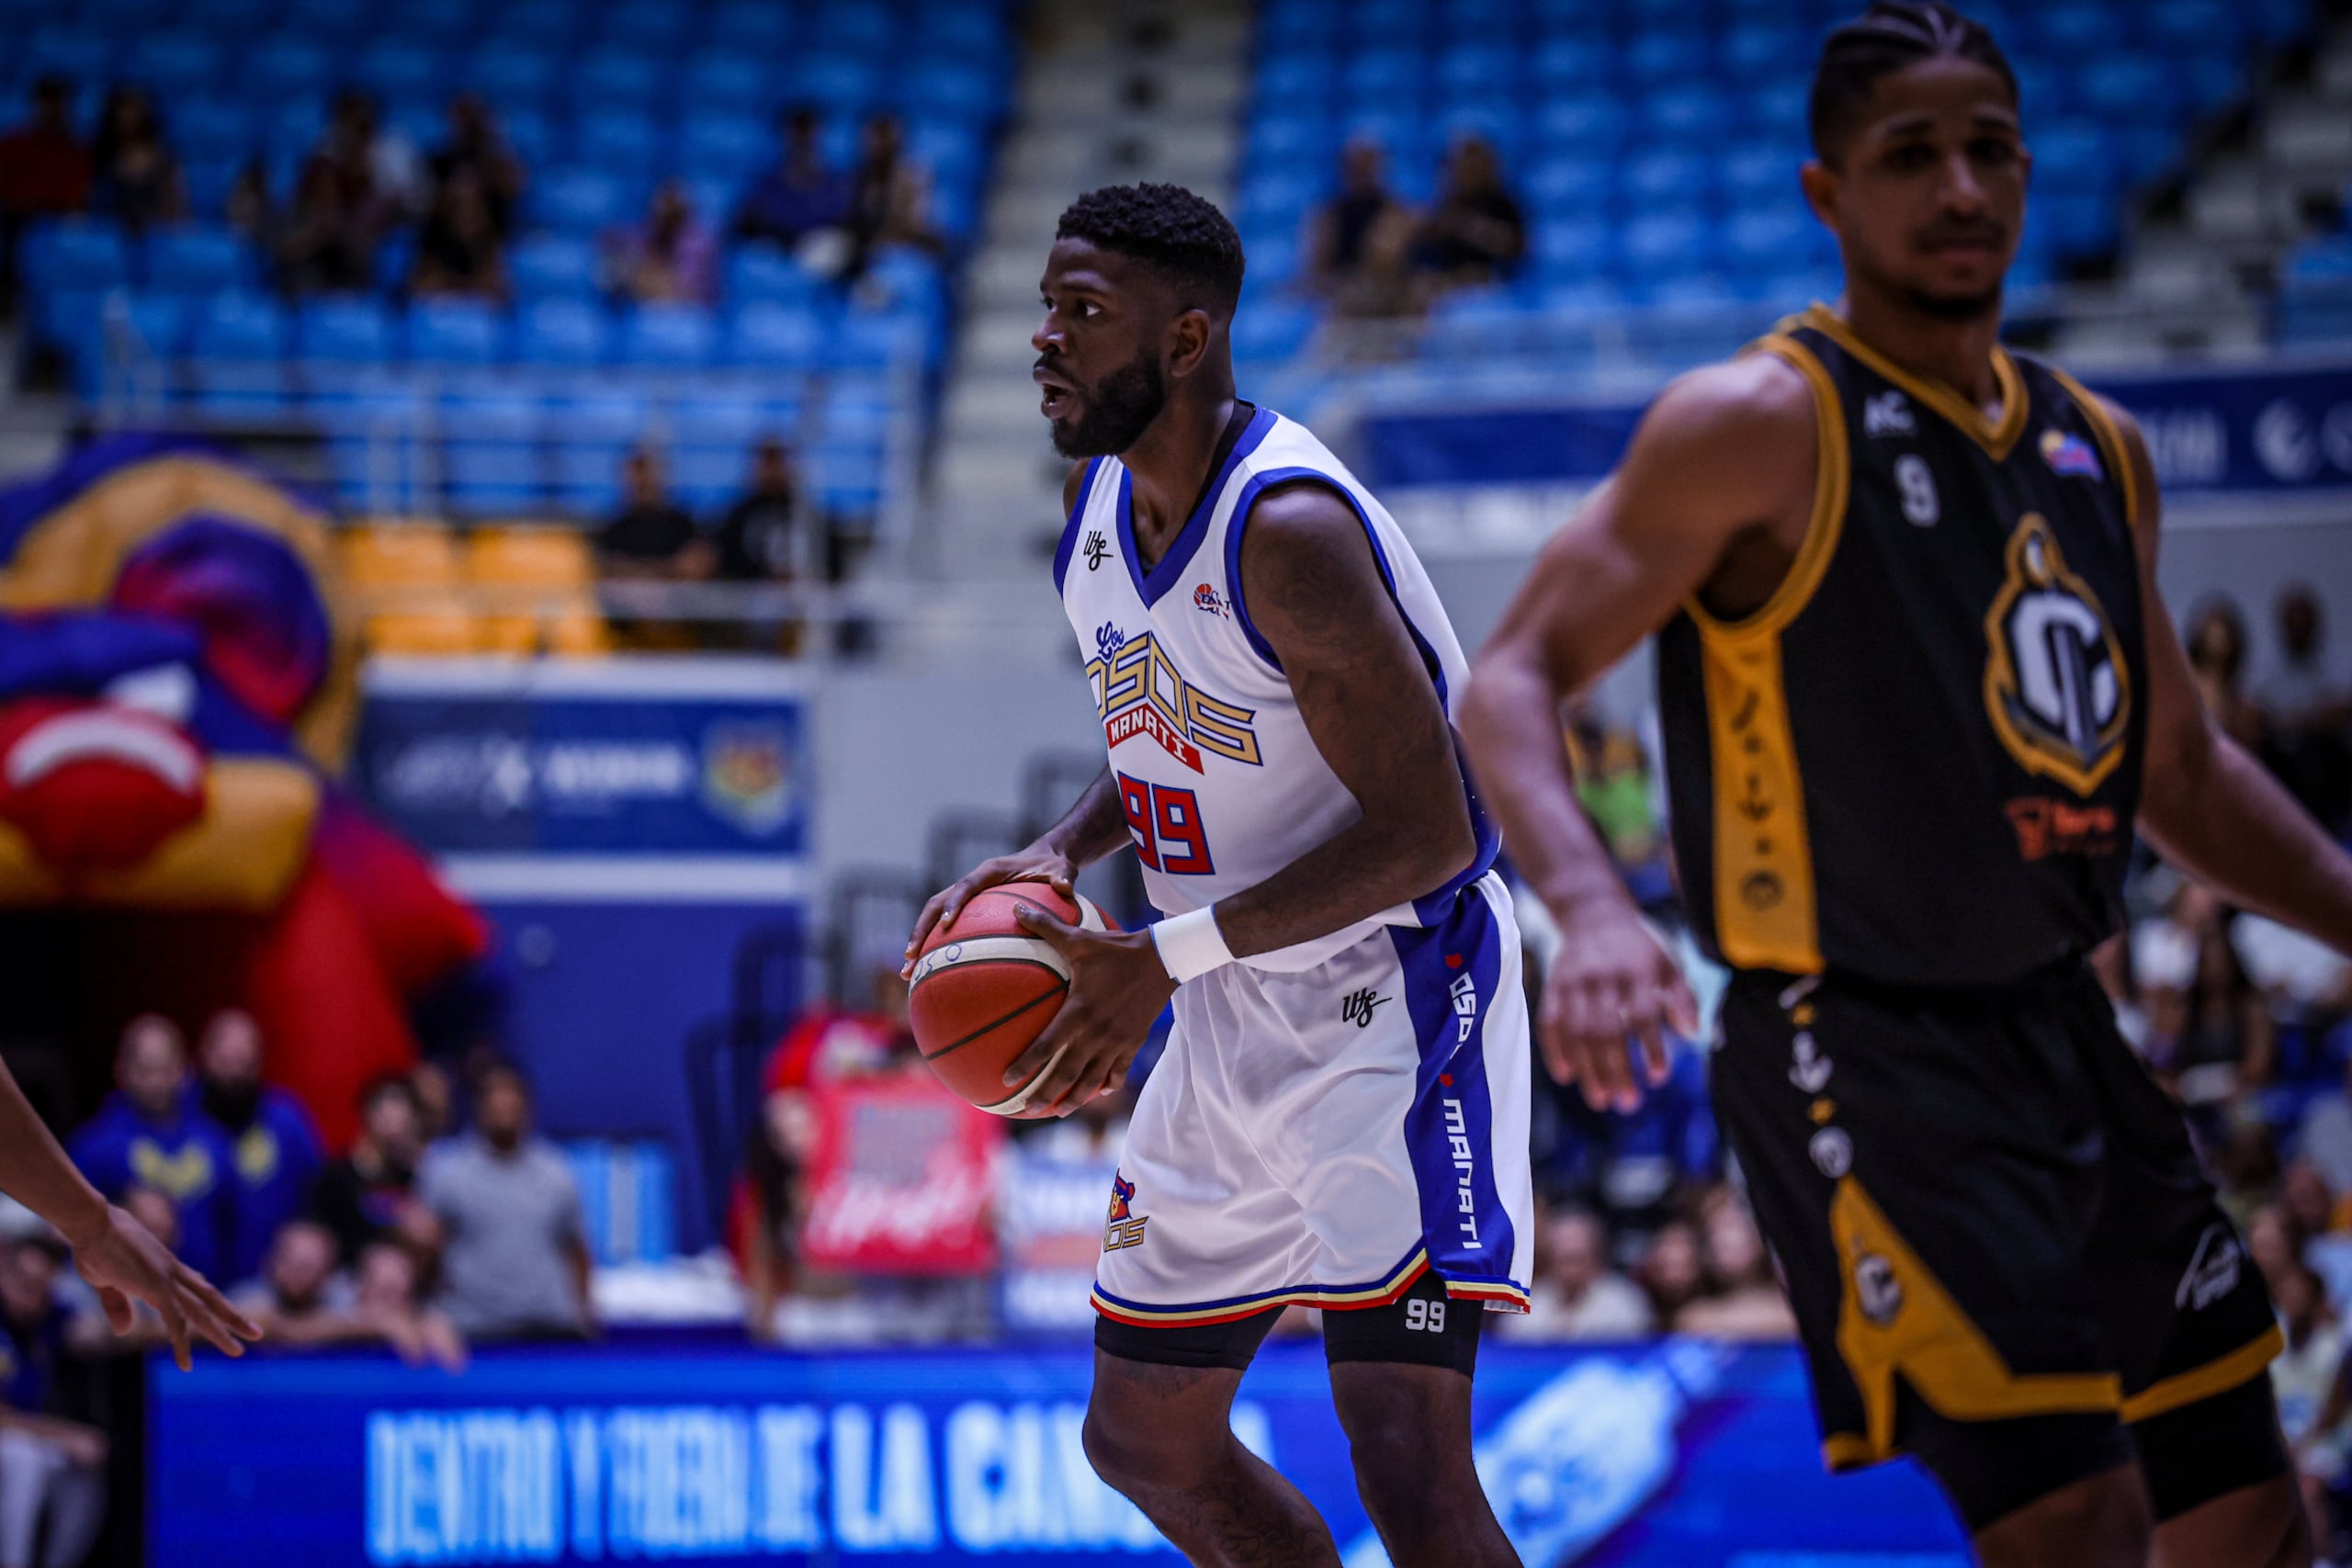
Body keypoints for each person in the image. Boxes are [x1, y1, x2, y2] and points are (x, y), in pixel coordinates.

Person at [1457, 6, 2351, 1562]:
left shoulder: (2099, 450)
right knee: (2078, 1517)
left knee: (2247, 1507)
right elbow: (1511, 676)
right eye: (1912, 155)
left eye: (1989, 150)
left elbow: (2183, 771)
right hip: (1859, 1045)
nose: (1960, 188)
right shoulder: (1757, 425)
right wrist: (1593, 909)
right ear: (1830, 192)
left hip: (2068, 1030)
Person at [906, 182, 1531, 1568]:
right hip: (1225, 997)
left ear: (1186, 340)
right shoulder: (1097, 507)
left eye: (1083, 312)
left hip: (1395, 997)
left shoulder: (1287, 530)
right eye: (1045, 308)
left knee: (1407, 1464)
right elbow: (1175, 714)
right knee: (1143, 1440)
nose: (1044, 339)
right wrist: (1065, 845)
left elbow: (1435, 830)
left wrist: (1160, 958)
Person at [416, 1061, 594, 1341]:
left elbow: (576, 1250)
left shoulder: (557, 1170)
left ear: (527, 1106)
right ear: (478, 1105)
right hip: (472, 1330)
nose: (503, 1105)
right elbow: (428, 1250)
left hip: (549, 1326)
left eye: (511, 1096)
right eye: (494, 1096)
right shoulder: (446, 1170)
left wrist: (586, 1311)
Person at [68, 1017, 238, 1287]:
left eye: (165, 1069)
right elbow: (70, 1228)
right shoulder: (95, 1145)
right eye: (145, 1071)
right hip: (125, 1293)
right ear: (122, 1071)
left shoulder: (216, 1141)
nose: (156, 1082)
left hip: (208, 1290)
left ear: (184, 1069)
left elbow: (234, 1226)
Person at [0, 1237, 103, 1568]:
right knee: (23, 1458)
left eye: (40, 1285)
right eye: (23, 1281)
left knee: (84, 1471)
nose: (31, 1292)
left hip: (30, 1435)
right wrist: (65, 1435)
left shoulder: (49, 1317)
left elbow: (103, 1335)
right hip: (14, 1441)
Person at [2261, 586, 2352, 832]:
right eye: (2292, 623)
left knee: (2315, 751)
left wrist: (2296, 722)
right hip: (2281, 757)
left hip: (2327, 756)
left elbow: (2341, 711)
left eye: (2303, 622)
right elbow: (2256, 711)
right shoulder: (2267, 667)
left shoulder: (2338, 662)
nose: (2298, 629)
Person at [311, 1074, 426, 1267]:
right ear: (367, 1114)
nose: (391, 1118)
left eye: (401, 1111)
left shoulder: (419, 1178)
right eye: (383, 1110)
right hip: (347, 1276)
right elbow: (321, 1237)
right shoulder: (338, 1176)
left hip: (404, 1275)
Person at [0, 77, 91, 317]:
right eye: (47, 103)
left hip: (60, 223)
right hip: (17, 221)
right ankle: (10, 304)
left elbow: (79, 197)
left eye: (58, 104)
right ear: (36, 104)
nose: (53, 110)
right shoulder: (14, 144)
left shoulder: (75, 150)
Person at [1499, 1205, 1655, 1341]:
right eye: (1562, 1260)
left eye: (1576, 1260)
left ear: (1596, 1259)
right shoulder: (1526, 1304)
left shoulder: (1624, 1303)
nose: (1569, 1271)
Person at [1305, 138, 1412, 319]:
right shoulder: (1329, 215)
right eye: (1356, 165)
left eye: (1367, 164)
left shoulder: (1395, 213)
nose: (1362, 171)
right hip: (1341, 293)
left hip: (1384, 294)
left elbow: (1388, 263)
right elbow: (1318, 267)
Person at [1410, 134, 1526, 294]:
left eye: (1475, 166)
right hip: (1446, 279)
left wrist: (1469, 228)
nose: (1468, 171)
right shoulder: (1447, 203)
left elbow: (1515, 247)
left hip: (1491, 280)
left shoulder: (1502, 204)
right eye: (1463, 165)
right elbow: (1426, 248)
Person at [732, 106, 849, 258]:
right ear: (786, 137)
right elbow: (746, 228)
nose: (803, 142)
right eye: (797, 134)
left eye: (808, 134)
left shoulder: (835, 188)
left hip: (818, 261)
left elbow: (842, 231)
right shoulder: (765, 187)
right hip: (776, 260)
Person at [597, 447, 712, 588]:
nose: (642, 485)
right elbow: (609, 569)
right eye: (637, 485)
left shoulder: (683, 525)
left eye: (647, 482)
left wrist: (636, 571)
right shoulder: (615, 529)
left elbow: (695, 565)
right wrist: (668, 570)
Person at [86, 86, 185, 237]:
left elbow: (174, 207)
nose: (127, 121)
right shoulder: (99, 158)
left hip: (155, 233)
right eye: (122, 116)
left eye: (133, 116)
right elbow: (90, 204)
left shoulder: (163, 158)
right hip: (108, 233)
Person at [426, 95, 523, 239]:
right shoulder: (438, 162)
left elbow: (514, 190)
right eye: (460, 121)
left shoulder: (498, 162)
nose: (465, 127)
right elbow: (427, 206)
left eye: (472, 121)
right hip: (445, 238)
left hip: (495, 236)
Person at [609, 180, 717, 303]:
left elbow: (689, 289)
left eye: (672, 209)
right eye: (661, 208)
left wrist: (652, 277)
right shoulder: (648, 232)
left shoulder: (698, 243)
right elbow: (622, 251)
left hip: (690, 308)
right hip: (647, 305)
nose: (665, 213)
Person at [409, 167, 508, 300]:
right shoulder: (426, 245)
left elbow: (500, 293)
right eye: (457, 205)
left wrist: (452, 283)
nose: (465, 214)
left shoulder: (498, 247)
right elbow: (421, 289)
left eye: (473, 206)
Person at [714, 438, 801, 585]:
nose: (773, 471)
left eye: (778, 462)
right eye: (767, 463)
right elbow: (724, 562)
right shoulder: (737, 516)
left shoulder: (805, 514)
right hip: (746, 592)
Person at [2187, 598, 2265, 749]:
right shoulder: (2188, 686)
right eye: (2213, 635)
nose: (2218, 643)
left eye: (2223, 638)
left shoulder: (2239, 697)